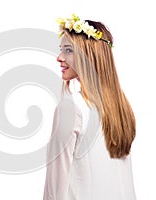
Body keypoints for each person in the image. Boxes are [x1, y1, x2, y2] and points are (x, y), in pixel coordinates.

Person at [43, 14, 137, 200]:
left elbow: (55, 186)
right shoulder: (121, 108)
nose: (59, 57)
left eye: (68, 50)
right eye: (61, 49)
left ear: (89, 56)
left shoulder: (72, 107)